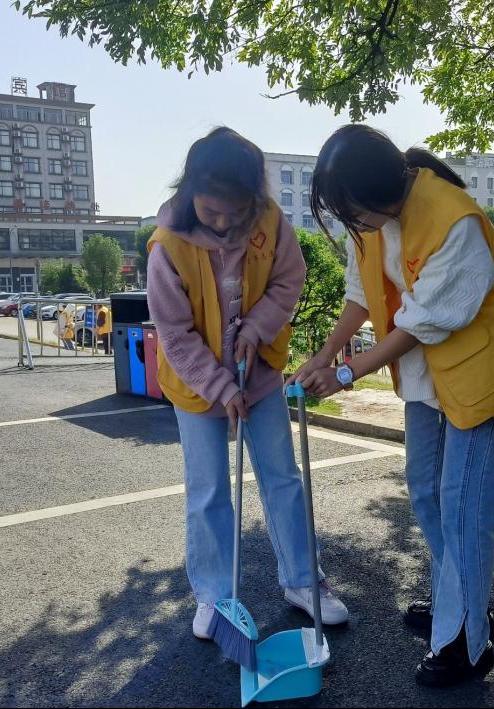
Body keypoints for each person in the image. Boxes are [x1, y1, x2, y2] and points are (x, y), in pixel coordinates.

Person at [289, 125, 494, 688]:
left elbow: (424, 319)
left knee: (463, 505)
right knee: (426, 488)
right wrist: (325, 354)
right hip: (431, 370)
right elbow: (360, 293)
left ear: (379, 190)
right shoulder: (372, 219)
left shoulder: (453, 219)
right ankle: (454, 598)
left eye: (351, 210)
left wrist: (345, 372)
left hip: (485, 368)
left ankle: (468, 643)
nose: (350, 223)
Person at [145, 127, 349, 641]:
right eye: (211, 211)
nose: (223, 223)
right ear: (190, 190)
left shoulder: (269, 221)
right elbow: (174, 334)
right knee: (209, 489)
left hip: (258, 374)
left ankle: (303, 580)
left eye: (234, 213)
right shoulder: (167, 246)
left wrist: (256, 329)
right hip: (195, 386)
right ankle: (215, 597)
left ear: (253, 198)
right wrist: (219, 386)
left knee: (282, 477)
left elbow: (288, 280)